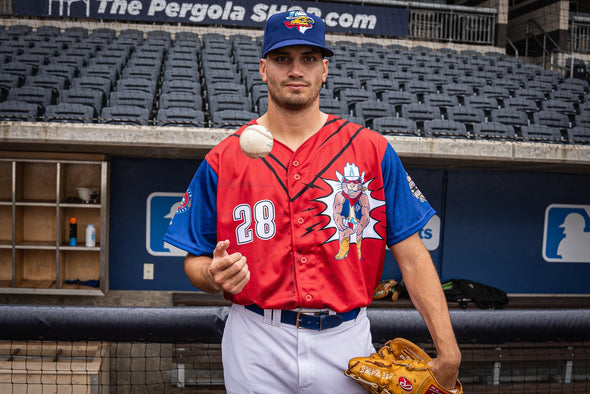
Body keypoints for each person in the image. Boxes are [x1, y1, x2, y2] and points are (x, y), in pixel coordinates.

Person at [164, 10, 461, 394]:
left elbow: (413, 255)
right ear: (263, 68)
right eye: (283, 58)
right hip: (256, 337)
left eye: (308, 59)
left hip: (346, 338)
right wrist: (211, 275)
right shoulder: (223, 159)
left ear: (324, 70)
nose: (295, 70)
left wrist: (448, 350)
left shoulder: (371, 150)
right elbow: (195, 259)